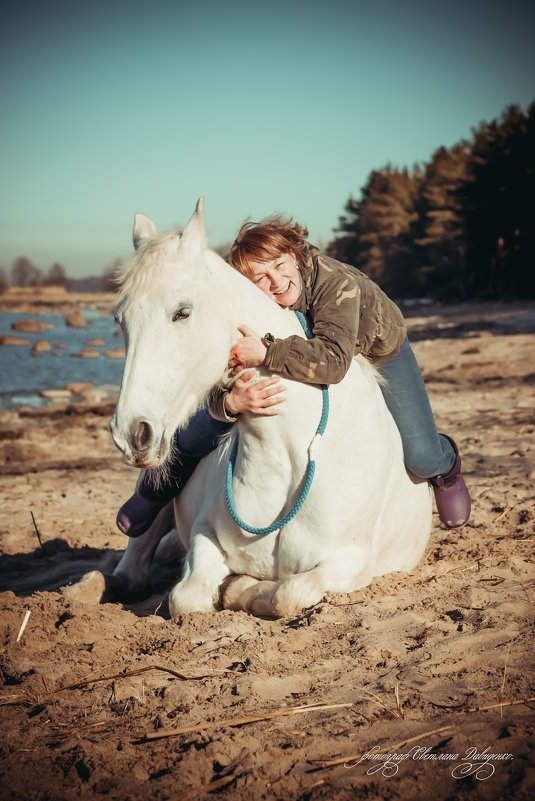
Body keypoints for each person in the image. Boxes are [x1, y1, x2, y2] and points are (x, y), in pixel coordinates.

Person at [117, 216, 471, 537]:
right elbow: (215, 375)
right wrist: (229, 401)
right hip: (299, 352)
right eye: (261, 278)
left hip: (375, 352)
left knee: (420, 454)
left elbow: (333, 362)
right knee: (201, 427)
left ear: (295, 254)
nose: (277, 281)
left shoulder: (337, 284)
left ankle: (447, 465)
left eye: (280, 265)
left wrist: (267, 352)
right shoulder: (250, 305)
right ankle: (154, 491)